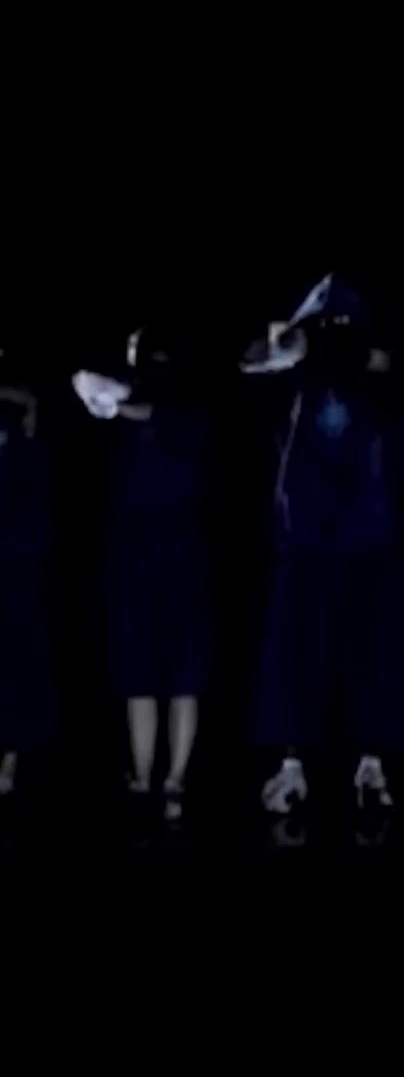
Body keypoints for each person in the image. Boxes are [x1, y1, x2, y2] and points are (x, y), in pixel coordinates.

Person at [243, 275, 404, 816]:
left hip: (367, 541)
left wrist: (382, 364)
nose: (332, 338)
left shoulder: (382, 382)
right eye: (325, 327)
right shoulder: (292, 374)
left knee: (372, 657)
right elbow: (250, 365)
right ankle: (292, 766)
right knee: (293, 658)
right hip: (305, 541)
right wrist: (285, 342)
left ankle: (371, 765)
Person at [72, 324, 214, 823]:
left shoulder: (187, 411)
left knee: (182, 677)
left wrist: (112, 402)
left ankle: (173, 779)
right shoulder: (124, 417)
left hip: (182, 557)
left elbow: (156, 414)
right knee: (139, 674)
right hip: (134, 558)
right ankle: (144, 775)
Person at [0, 350, 53, 800]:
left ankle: (8, 764)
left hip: (14, 565)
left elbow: (33, 495)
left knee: (14, 665)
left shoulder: (19, 436)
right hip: (16, 557)